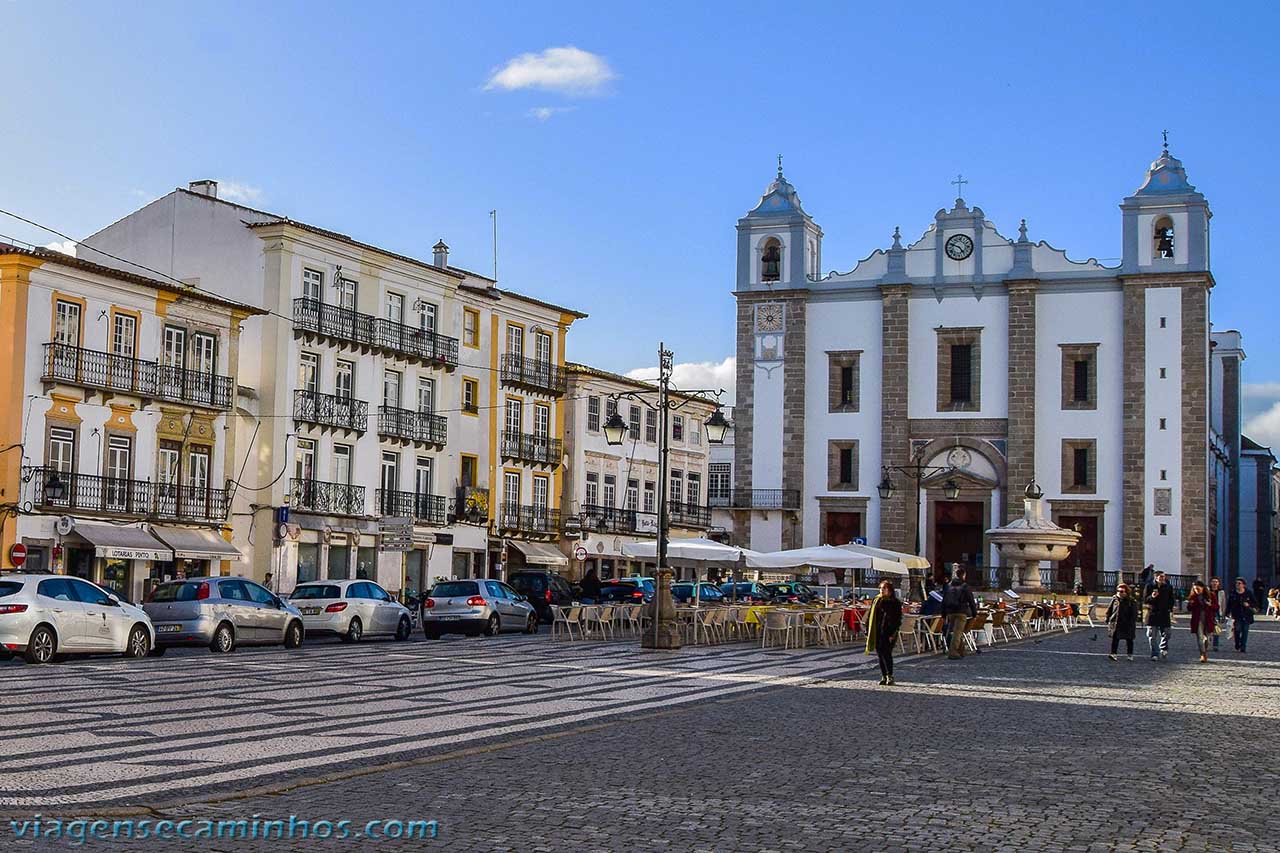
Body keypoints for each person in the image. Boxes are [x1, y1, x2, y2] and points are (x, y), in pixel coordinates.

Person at [866, 580, 903, 685]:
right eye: (881, 588)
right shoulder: (877, 600)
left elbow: (897, 619)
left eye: (884, 588)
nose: (882, 590)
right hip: (877, 630)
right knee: (880, 654)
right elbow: (870, 616)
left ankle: (890, 675)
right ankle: (883, 675)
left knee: (886, 654)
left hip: (888, 632)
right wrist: (867, 628)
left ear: (890, 590)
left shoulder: (895, 602)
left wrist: (892, 633)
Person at [941, 567, 977, 660]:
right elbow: (971, 601)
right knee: (957, 633)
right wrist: (974, 614)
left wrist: (943, 614)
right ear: (964, 575)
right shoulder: (965, 587)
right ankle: (952, 652)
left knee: (957, 631)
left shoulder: (949, 586)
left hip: (950, 612)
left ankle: (961, 650)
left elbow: (944, 601)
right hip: (961, 611)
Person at [1145, 570, 1174, 661]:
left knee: (1167, 634)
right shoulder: (1149, 586)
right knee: (1152, 636)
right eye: (1160, 577)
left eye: (1163, 576)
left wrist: (1170, 608)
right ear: (1156, 577)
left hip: (1165, 613)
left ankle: (1163, 648)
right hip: (1153, 613)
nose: (1162, 578)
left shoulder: (1168, 587)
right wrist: (1152, 597)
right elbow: (1145, 599)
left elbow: (1171, 599)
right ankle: (1154, 653)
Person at [1105, 582, 1138, 661]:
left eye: (1122, 591)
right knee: (1115, 639)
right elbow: (1110, 609)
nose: (1120, 593)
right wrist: (1108, 619)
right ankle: (1113, 654)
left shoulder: (1131, 601)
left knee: (1129, 639)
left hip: (1127, 623)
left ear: (1126, 592)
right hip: (1116, 622)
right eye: (1118, 591)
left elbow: (1134, 613)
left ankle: (1130, 654)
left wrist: (1132, 622)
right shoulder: (1115, 599)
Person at [1187, 580, 1217, 664]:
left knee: (1208, 639)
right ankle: (1202, 654)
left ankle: (1205, 650)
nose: (1197, 590)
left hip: (1208, 619)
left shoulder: (1211, 595)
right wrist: (1191, 604)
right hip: (1197, 619)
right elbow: (1189, 608)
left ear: (1203, 588)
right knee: (1200, 638)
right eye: (1195, 589)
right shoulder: (1193, 597)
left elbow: (1216, 607)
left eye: (1198, 589)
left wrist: (1210, 605)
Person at [1227, 577, 1256, 653]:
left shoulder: (1248, 593)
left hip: (1246, 615)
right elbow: (1229, 604)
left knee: (1245, 631)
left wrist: (1248, 604)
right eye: (1236, 583)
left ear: (1243, 585)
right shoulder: (1233, 593)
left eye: (1239, 583)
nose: (1237, 585)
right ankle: (1237, 643)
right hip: (1236, 615)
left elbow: (1255, 603)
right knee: (1237, 630)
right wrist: (1227, 612)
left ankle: (1243, 647)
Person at [1209, 577, 1227, 652]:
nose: (1214, 583)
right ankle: (1207, 642)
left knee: (1217, 629)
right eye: (1213, 581)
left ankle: (1215, 645)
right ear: (1210, 583)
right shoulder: (1207, 591)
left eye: (1216, 582)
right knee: (1208, 628)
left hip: (1217, 612)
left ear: (1218, 583)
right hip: (1209, 612)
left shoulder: (1221, 592)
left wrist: (1223, 614)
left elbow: (1223, 603)